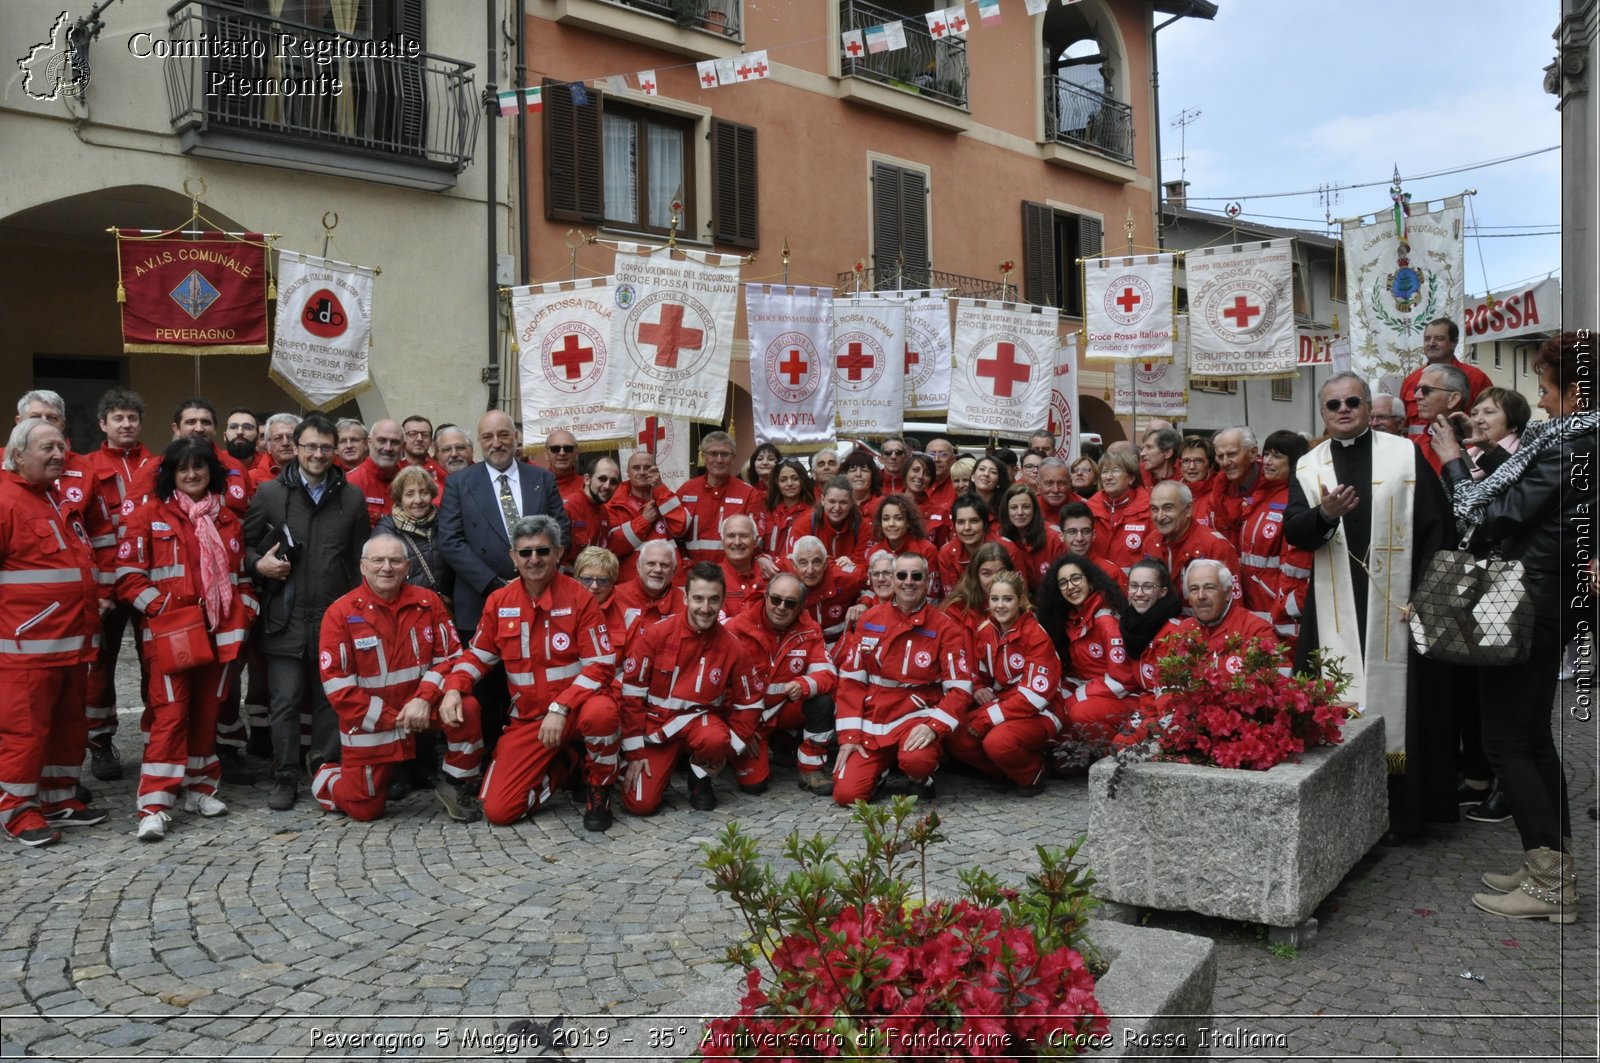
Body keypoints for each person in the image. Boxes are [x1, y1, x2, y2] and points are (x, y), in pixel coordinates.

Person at [1433, 331, 1593, 922]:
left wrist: (1454, 461)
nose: (1542, 400)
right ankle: (1548, 861)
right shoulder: (1576, 439)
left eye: (1548, 389)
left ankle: (1552, 885)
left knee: (1508, 741)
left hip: (1527, 603)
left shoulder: (1576, 441)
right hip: (1546, 602)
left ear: (1578, 391)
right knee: (1532, 739)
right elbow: (1531, 495)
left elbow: (1498, 516)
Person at [1283, 371, 1456, 842]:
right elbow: (1295, 531)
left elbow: (1438, 528)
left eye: (1352, 402)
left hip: (1397, 605)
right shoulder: (1309, 465)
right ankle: (1337, 810)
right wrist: (1325, 516)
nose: (1343, 410)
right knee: (1328, 696)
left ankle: (1402, 816)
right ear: (1322, 413)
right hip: (1334, 607)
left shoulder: (1404, 454)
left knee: (1406, 701)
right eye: (1333, 404)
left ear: (1366, 407)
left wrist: (1423, 593)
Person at [115, 438, 258, 840]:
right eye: (183, 469)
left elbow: (242, 578)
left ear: (212, 472)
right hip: (171, 637)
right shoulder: (148, 516)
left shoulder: (229, 521)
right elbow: (128, 576)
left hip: (218, 635)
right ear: (171, 476)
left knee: (206, 713)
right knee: (171, 715)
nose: (192, 475)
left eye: (199, 467)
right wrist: (162, 610)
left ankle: (200, 788)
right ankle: (155, 804)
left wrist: (247, 608)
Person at [451, 515, 619, 831]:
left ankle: (600, 787)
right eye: (525, 552)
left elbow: (600, 665)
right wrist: (452, 688)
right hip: (529, 719)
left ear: (558, 553)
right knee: (498, 811)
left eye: (543, 551)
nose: (534, 559)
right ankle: (564, 765)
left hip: (575, 710)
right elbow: (478, 656)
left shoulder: (580, 598)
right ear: (513, 558)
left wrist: (562, 705)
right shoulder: (499, 601)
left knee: (603, 713)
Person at [312, 534, 483, 824]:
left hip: (421, 707)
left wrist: (423, 698)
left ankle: (458, 786)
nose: (386, 568)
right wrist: (397, 717)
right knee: (365, 810)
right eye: (378, 560)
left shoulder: (428, 603)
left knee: (466, 709)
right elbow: (339, 691)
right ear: (363, 566)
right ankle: (324, 771)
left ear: (407, 567)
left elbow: (452, 659)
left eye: (395, 560)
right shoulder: (340, 614)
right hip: (371, 720)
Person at [245, 414, 370, 810]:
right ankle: (285, 774)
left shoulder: (351, 498)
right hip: (284, 617)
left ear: (335, 451)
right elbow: (244, 549)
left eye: (325, 447)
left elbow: (360, 559)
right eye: (310, 446)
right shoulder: (268, 495)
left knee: (330, 698)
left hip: (333, 619)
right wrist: (258, 566)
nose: (318, 454)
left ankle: (326, 769)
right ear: (295, 448)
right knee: (284, 699)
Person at [0, 418, 108, 846]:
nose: (59, 456)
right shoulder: (6, 500)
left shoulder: (55, 498)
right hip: (25, 650)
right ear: (18, 454)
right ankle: (16, 809)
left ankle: (57, 798)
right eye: (48, 448)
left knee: (67, 726)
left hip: (70, 643)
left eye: (62, 448)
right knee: (25, 732)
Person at [619, 563, 762, 815]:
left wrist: (727, 751)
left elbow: (749, 703)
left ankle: (700, 775)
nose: (705, 608)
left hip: (702, 727)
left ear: (722, 601)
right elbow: (631, 694)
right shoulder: (656, 635)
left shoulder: (733, 647)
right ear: (685, 597)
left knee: (716, 739)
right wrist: (634, 752)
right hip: (658, 728)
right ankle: (664, 770)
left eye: (713, 600)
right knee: (640, 805)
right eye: (698, 598)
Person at [832, 551, 973, 804]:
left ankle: (922, 778)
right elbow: (851, 681)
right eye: (902, 575)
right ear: (893, 580)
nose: (909, 581)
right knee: (846, 795)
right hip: (873, 718)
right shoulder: (870, 618)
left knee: (917, 762)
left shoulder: (945, 627)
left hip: (915, 717)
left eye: (916, 576)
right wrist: (849, 736)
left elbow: (960, 690)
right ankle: (881, 771)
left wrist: (933, 727)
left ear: (928, 581)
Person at [437, 409, 570, 643]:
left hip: (540, 597)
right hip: (480, 600)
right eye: (488, 437)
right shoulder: (458, 483)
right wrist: (493, 584)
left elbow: (560, 532)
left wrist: (534, 576)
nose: (496, 444)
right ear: (479, 442)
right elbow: (450, 541)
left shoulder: (542, 479)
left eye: (503, 435)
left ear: (516, 436)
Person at [83, 387, 159, 782]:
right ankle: (100, 743)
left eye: (132, 417)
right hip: (108, 586)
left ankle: (157, 739)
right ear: (103, 424)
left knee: (156, 662)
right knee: (100, 666)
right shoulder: (86, 466)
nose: (126, 424)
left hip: (149, 582)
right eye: (118, 418)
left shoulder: (159, 464)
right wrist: (100, 588)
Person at [945, 570, 1061, 794]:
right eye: (995, 599)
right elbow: (981, 673)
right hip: (1006, 704)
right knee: (956, 735)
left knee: (998, 742)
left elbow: (1033, 697)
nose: (1000, 605)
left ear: (1021, 600)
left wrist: (987, 718)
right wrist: (979, 688)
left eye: (1007, 599)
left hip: (1042, 710)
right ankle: (1004, 772)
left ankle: (1032, 773)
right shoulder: (987, 630)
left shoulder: (1036, 636)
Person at [727, 572, 839, 796]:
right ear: (765, 597)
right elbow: (719, 687)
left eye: (790, 603)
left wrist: (805, 684)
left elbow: (828, 674)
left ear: (800, 607)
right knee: (753, 785)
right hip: (749, 718)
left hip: (784, 709)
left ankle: (811, 769)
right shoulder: (736, 628)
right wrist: (740, 729)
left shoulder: (810, 629)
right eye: (775, 599)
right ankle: (767, 745)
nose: (781, 607)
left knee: (823, 701)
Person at [1036, 554, 1128, 752]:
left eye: (1076, 578)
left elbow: (1122, 680)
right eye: (1063, 582)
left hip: (1121, 695)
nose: (1070, 586)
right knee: (1051, 701)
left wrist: (1080, 694)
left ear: (1090, 581)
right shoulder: (1073, 617)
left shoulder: (1106, 620)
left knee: (1077, 711)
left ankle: (1115, 756)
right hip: (1093, 688)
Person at [1250, 431, 1314, 653]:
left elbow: (1297, 567)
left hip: (1277, 610)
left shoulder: (1297, 500)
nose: (1267, 461)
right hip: (1253, 604)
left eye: (1276, 456)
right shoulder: (1261, 494)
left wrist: (1284, 607)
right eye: (1266, 454)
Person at [1144, 481, 1240, 609]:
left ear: (1188, 509)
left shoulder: (1215, 546)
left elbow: (1234, 607)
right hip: (1164, 626)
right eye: (1155, 509)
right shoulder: (1150, 542)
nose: (1160, 516)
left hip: (1203, 628)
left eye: (1168, 508)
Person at [1399, 317, 1493, 446]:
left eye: (1439, 338)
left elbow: (1492, 421)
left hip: (1463, 454)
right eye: (1427, 339)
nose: (1431, 343)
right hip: (1418, 454)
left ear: (1454, 343)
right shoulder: (1411, 381)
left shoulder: (1476, 378)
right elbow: (1403, 426)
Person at [607, 449, 688, 581]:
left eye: (647, 468)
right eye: (636, 468)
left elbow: (681, 527)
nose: (642, 472)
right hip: (630, 583)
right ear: (627, 472)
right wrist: (644, 521)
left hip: (668, 581)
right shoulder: (614, 504)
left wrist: (659, 489)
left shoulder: (665, 496)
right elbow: (613, 545)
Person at [679, 431, 757, 565]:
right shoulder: (686, 491)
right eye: (713, 454)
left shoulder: (748, 493)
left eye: (725, 454)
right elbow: (674, 536)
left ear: (733, 458)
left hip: (732, 574)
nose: (719, 460)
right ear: (703, 456)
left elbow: (756, 539)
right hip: (692, 574)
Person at [170, 399, 252, 515]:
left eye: (205, 422)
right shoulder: (158, 467)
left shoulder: (236, 467)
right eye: (191, 422)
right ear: (176, 429)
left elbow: (249, 514)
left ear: (215, 429)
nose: (199, 428)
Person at [789, 535, 867, 650]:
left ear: (826, 563)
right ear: (794, 565)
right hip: (802, 644)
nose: (810, 570)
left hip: (840, 643)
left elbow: (874, 586)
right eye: (803, 563)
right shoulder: (783, 576)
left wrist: (864, 603)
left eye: (816, 562)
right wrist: (760, 558)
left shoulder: (845, 577)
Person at [1086, 448, 1152, 584]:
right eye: (1104, 472)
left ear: (1131, 478)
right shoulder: (1088, 510)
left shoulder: (1148, 511)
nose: (1108, 477)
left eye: (1115, 471)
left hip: (1134, 589)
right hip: (1095, 586)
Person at [938, 494, 1024, 592]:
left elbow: (1021, 594)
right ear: (954, 525)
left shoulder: (1008, 549)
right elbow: (953, 599)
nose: (967, 528)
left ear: (985, 524)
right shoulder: (946, 553)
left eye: (974, 521)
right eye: (961, 522)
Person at [860, 494, 940, 599]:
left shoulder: (927, 550)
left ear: (908, 523)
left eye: (898, 518)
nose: (891, 524)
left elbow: (930, 595)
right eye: (886, 519)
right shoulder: (874, 551)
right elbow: (870, 589)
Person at [940, 541, 1018, 645]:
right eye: (986, 573)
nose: (994, 580)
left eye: (1001, 572)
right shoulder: (955, 610)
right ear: (975, 576)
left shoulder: (1019, 608)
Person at [789, 476, 869, 569]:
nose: (837, 508)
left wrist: (824, 566)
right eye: (832, 501)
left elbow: (862, 568)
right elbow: (797, 564)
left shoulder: (861, 526)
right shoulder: (806, 523)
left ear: (851, 503)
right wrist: (840, 566)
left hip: (848, 581)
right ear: (823, 500)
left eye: (843, 502)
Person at [1411, 362, 1474, 475]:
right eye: (1416, 389)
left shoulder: (1476, 446)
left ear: (1453, 399)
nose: (1417, 396)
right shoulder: (1414, 445)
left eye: (1426, 390)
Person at [998, 483, 1064, 591]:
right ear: (1006, 511)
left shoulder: (1054, 538)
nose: (1020, 512)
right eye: (1014, 507)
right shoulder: (1001, 539)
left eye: (1026, 507)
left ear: (1034, 510)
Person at [1460, 387, 1532, 482]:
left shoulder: (1525, 458)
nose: (1477, 420)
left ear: (1514, 424)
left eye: (1489, 412)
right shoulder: (1472, 452)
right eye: (1474, 413)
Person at [611, 539, 684, 633]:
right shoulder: (615, 597)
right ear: (638, 566)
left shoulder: (684, 604)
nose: (658, 569)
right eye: (651, 563)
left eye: (664, 565)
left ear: (674, 571)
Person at [561, 455, 621, 568]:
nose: (607, 486)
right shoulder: (567, 508)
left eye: (613, 482)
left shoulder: (604, 513)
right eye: (602, 479)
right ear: (587, 479)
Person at [347, 419, 406, 529]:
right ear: (369, 442)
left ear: (403, 446)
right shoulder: (350, 483)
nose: (388, 448)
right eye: (382, 440)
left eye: (395, 442)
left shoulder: (411, 480)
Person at [1209, 427, 1264, 543]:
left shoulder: (1273, 485)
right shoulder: (1218, 490)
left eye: (1232, 454)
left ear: (1253, 453)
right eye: (1220, 456)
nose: (1225, 462)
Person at [716, 514, 767, 617]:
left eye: (744, 536)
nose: (737, 542)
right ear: (722, 541)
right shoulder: (712, 578)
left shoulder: (769, 575)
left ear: (755, 541)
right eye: (731, 536)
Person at [763, 458, 813, 555]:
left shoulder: (813, 514)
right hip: (769, 568)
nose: (789, 484)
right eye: (783, 480)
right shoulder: (767, 512)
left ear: (802, 481)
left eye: (795, 478)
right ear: (777, 483)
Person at [904, 452, 949, 545]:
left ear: (931, 480)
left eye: (927, 473)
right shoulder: (889, 505)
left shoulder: (940, 512)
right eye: (916, 470)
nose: (920, 476)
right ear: (905, 472)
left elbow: (941, 550)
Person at [249, 413, 299, 492]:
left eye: (291, 437)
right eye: (278, 438)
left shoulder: (314, 473)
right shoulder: (251, 477)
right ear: (268, 445)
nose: (285, 443)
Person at [1179, 436, 1220, 530]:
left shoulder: (1219, 495)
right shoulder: (1172, 494)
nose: (1192, 467)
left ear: (1211, 466)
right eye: (1186, 461)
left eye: (1199, 461)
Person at [400, 415, 449, 484]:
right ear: (402, 438)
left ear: (431, 442)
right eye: (412, 434)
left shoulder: (443, 473)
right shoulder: (390, 470)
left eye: (425, 434)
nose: (419, 438)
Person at [838, 448, 883, 521]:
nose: (858, 474)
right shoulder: (837, 505)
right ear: (844, 475)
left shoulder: (883, 504)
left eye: (864, 470)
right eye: (853, 470)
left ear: (873, 475)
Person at [543, 429, 584, 506]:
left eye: (568, 448)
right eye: (555, 449)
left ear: (577, 454)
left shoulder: (588, 486)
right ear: (546, 454)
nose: (562, 453)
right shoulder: (535, 486)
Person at [1036, 458, 1078, 528]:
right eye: (1049, 483)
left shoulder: (1085, 506)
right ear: (1038, 485)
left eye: (1061, 483)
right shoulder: (1029, 507)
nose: (1056, 490)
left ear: (1070, 483)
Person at [742, 441, 781, 506]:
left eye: (770, 459)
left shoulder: (785, 491)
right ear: (753, 464)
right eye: (760, 459)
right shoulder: (747, 492)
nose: (765, 462)